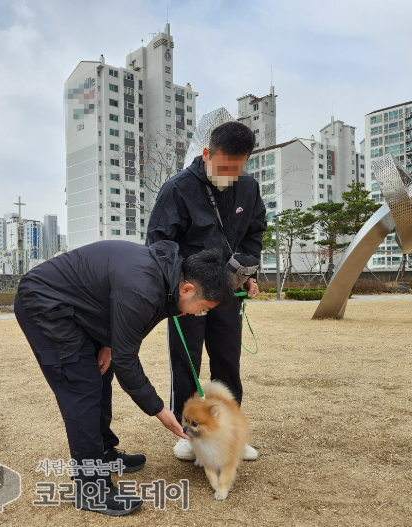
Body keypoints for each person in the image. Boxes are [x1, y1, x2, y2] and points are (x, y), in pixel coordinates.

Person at [15, 241, 234, 516]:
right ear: (187, 289)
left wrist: (108, 343)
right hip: (45, 303)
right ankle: (90, 487)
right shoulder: (143, 287)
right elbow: (127, 362)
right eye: (202, 308)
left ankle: (103, 454)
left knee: (100, 374)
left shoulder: (166, 278)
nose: (199, 314)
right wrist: (160, 411)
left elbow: (120, 321)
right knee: (82, 387)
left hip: (79, 308)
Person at [146, 121, 266, 462]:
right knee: (186, 361)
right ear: (206, 154)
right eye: (223, 166)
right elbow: (158, 243)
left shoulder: (249, 188)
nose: (229, 174)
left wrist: (246, 271)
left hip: (228, 289)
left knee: (227, 361)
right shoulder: (177, 188)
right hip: (188, 292)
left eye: (237, 168)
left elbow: (254, 232)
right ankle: (189, 433)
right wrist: (177, 288)